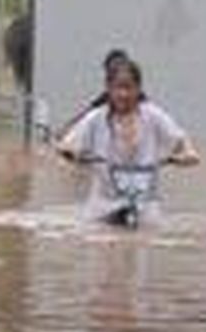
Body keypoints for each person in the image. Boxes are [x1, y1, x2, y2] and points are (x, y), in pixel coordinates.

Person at [58, 59, 198, 223]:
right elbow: (64, 148)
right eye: (118, 88)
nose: (123, 94)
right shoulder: (96, 118)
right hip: (103, 209)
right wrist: (77, 158)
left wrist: (183, 156)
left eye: (129, 88)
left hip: (145, 210)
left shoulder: (153, 116)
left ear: (138, 89)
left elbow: (182, 141)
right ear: (109, 89)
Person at [56, 49, 147, 140]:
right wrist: (66, 128)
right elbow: (86, 113)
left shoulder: (143, 104)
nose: (123, 95)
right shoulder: (105, 100)